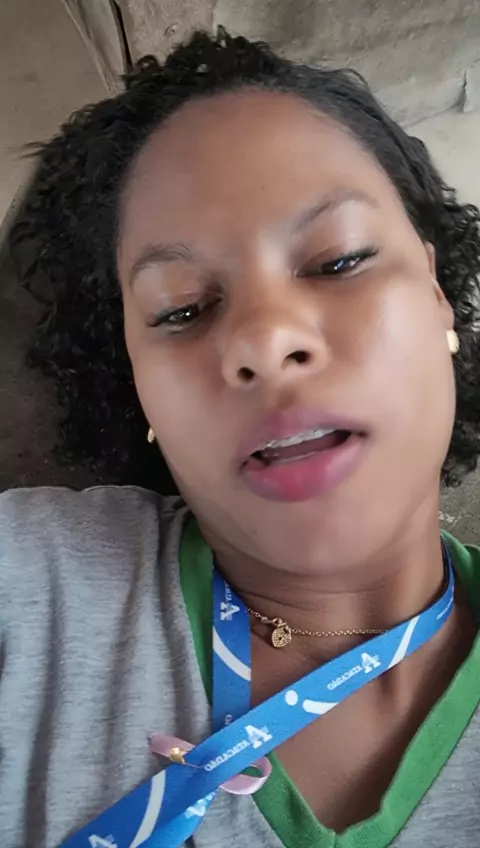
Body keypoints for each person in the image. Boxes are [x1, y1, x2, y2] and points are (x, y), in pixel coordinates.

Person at [2, 28, 480, 848]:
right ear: (137, 385)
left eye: (337, 261)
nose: (264, 340)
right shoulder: (28, 585)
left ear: (437, 296)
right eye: (182, 310)